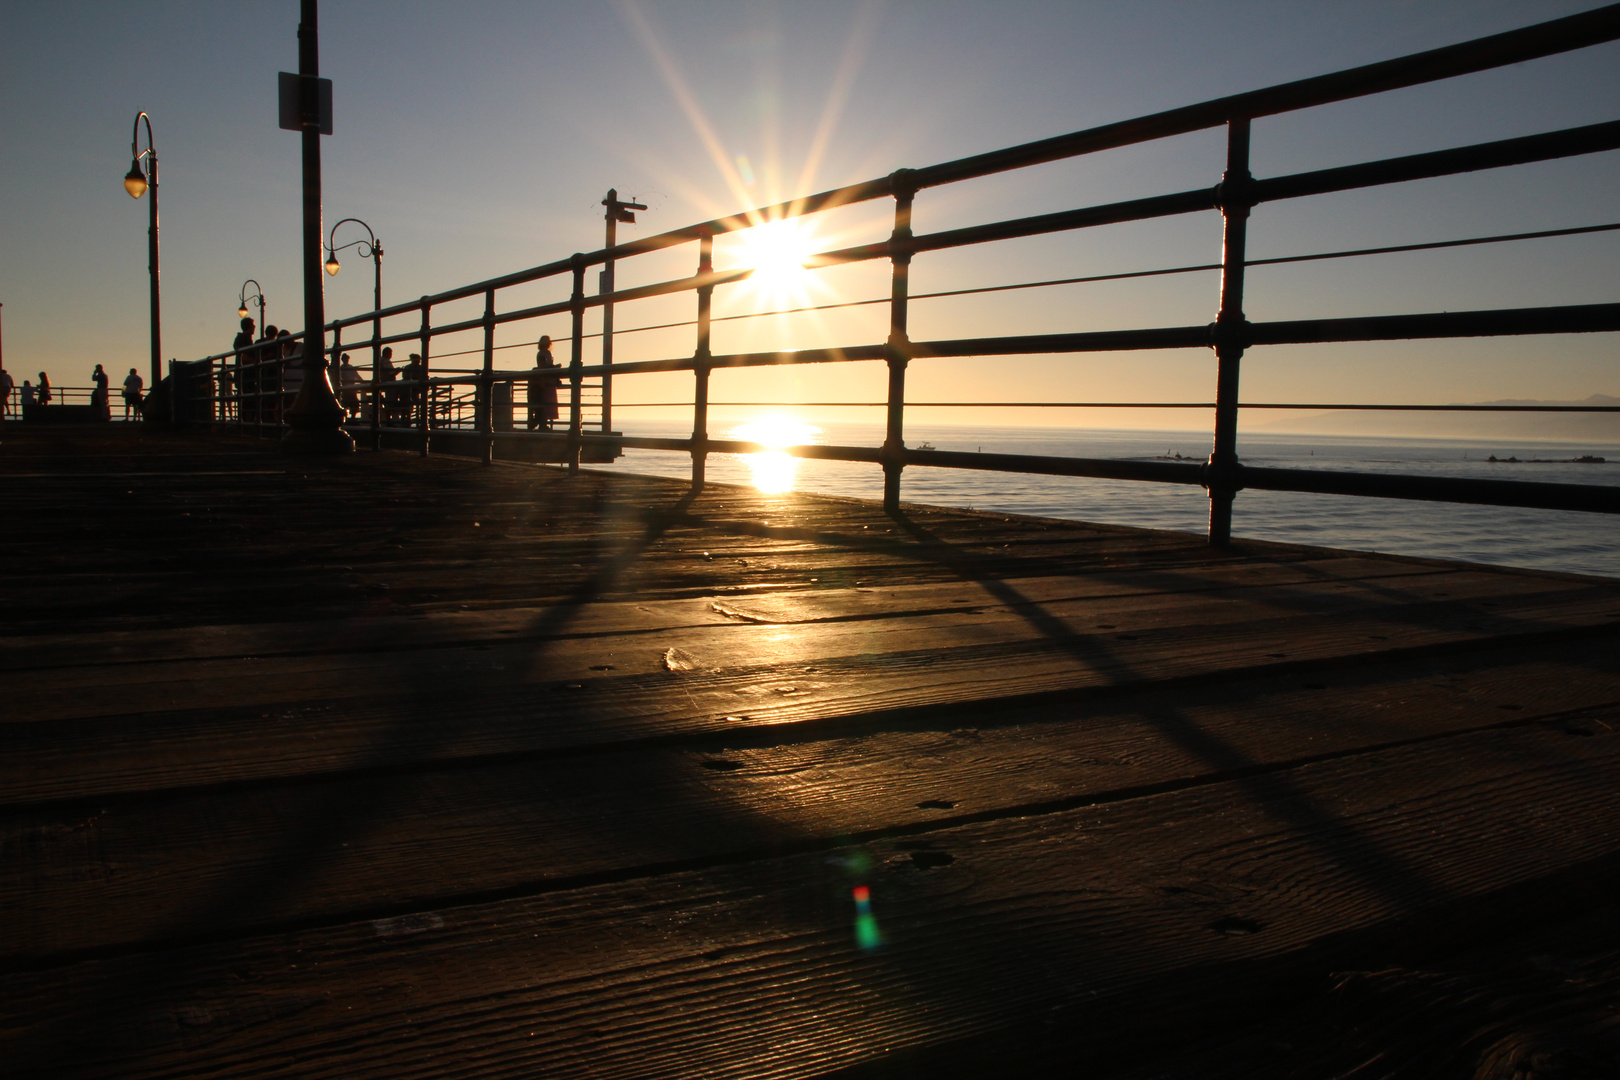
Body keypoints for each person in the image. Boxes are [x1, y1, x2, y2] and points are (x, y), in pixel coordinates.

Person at [527, 335, 559, 431]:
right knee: (544, 402)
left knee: (546, 403)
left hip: (547, 381)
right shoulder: (542, 354)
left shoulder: (544, 353)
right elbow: (543, 366)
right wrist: (555, 368)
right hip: (544, 381)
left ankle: (542, 424)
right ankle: (542, 424)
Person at [400, 353, 425, 426]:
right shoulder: (420, 368)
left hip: (411, 388)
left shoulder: (408, 368)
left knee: (408, 405)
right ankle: (408, 420)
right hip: (412, 389)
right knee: (411, 404)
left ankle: (405, 420)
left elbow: (405, 377)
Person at [338, 353, 361, 417]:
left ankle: (352, 418)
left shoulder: (349, 367)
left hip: (351, 389)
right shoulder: (341, 368)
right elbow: (357, 376)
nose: (346, 360)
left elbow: (357, 376)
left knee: (354, 405)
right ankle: (348, 418)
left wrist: (362, 381)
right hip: (346, 390)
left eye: (347, 358)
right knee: (347, 404)